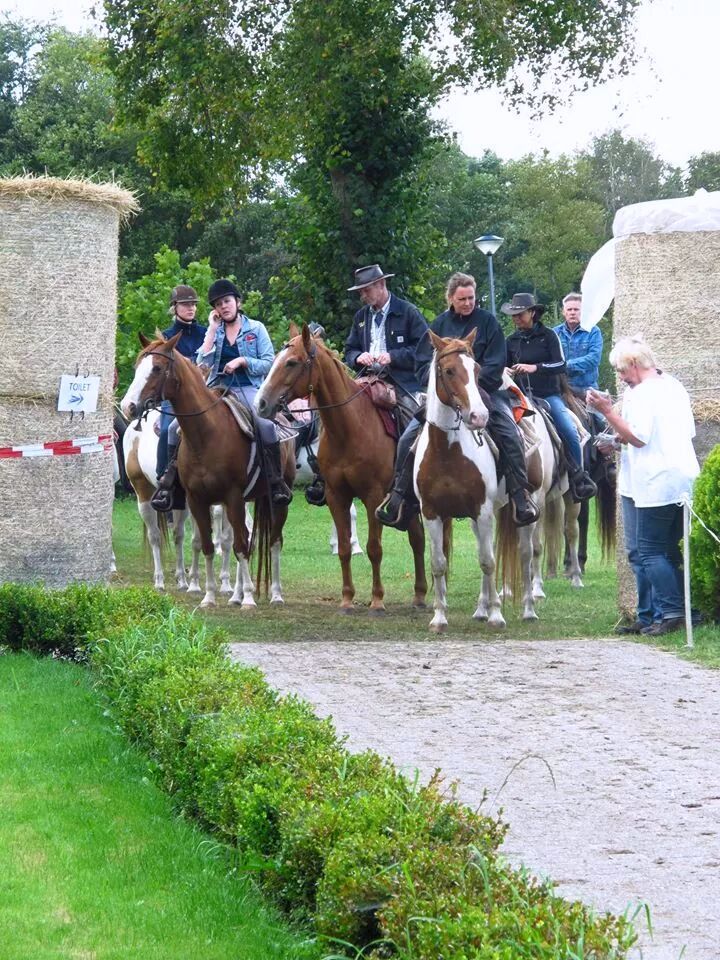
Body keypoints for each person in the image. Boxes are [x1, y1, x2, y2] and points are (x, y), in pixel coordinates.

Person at [375, 272, 539, 529]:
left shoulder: (488, 322)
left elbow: (497, 361)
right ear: (451, 298)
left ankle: (520, 495)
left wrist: (472, 387)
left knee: (509, 432)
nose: (468, 303)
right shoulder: (438, 326)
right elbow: (421, 363)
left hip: (486, 390)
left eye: (471, 297)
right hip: (444, 397)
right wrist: (440, 389)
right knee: (408, 438)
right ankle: (400, 499)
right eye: (462, 298)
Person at [587, 335, 699, 636]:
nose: (621, 378)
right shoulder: (674, 385)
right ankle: (652, 614)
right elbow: (682, 431)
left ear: (634, 365)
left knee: (649, 551)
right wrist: (617, 439)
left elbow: (640, 437)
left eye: (622, 371)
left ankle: (672, 612)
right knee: (657, 551)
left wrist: (607, 411)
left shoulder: (642, 394)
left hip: (654, 480)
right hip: (678, 476)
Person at [152, 278, 292, 510]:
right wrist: (212, 329)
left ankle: (275, 481)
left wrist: (242, 361)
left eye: (227, 301)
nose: (223, 307)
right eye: (218, 304)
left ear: (237, 302)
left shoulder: (256, 329)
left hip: (247, 387)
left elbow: (268, 362)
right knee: (176, 428)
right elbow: (201, 362)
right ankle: (169, 484)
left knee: (265, 426)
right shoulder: (214, 331)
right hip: (217, 389)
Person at [305, 264, 431, 507]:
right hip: (365, 379)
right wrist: (357, 357)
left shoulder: (408, 312)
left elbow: (423, 350)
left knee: (411, 418)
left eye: (366, 290)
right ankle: (324, 477)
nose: (362, 296)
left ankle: (407, 480)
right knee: (332, 412)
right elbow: (351, 348)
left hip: (402, 383)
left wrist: (393, 356)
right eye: (360, 292)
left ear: (381, 285)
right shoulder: (361, 316)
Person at [504, 292, 597, 503]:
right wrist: (507, 371)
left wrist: (534, 368)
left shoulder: (548, 336)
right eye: (514, 315)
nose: (516, 318)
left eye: (520, 314)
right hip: (518, 397)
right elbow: (504, 364)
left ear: (533, 313)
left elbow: (560, 364)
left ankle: (578, 477)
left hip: (548, 395)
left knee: (568, 429)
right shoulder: (510, 340)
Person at [156, 285, 207, 481]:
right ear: (174, 307)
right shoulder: (166, 337)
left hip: (205, 389)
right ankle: (164, 476)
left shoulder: (206, 332)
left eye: (193, 304)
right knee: (167, 428)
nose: (191, 308)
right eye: (186, 304)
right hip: (176, 393)